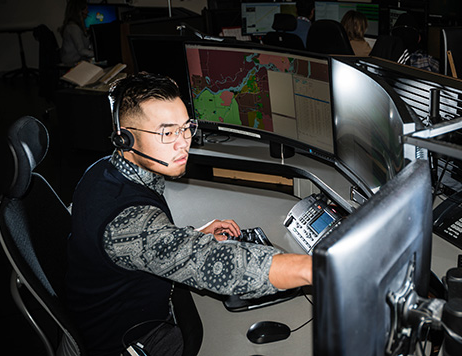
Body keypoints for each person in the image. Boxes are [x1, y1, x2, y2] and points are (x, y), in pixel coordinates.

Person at [65, 72, 312, 356]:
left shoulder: (102, 171)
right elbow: (222, 265)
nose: (184, 142)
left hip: (114, 313)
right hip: (129, 341)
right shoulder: (129, 221)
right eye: (167, 133)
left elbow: (141, 243)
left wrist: (189, 237)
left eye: (186, 127)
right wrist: (317, 269)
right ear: (125, 139)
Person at [59, 0, 94, 66]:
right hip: (70, 64)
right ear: (80, 12)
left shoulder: (77, 27)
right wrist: (96, 54)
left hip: (77, 61)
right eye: (86, 9)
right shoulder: (73, 28)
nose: (88, 12)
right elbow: (81, 50)